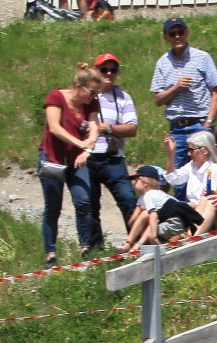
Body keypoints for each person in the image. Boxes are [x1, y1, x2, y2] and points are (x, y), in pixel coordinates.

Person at [40, 64, 103, 267]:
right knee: (53, 206)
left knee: (83, 201)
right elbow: (54, 127)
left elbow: (94, 128)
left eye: (96, 93)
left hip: (77, 159)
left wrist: (87, 149)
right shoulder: (56, 97)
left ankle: (86, 247)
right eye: (91, 92)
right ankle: (50, 253)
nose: (94, 97)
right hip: (53, 157)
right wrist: (79, 143)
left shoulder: (91, 103)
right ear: (78, 87)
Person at [151, 18, 217, 169]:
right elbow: (158, 100)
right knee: (177, 174)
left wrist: (208, 123)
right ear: (166, 37)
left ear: (187, 33)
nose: (177, 36)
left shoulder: (202, 58)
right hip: (177, 128)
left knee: (206, 171)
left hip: (200, 124)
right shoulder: (162, 63)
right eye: (172, 34)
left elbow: (216, 93)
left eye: (180, 32)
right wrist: (176, 88)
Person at [88, 53, 139, 247]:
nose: (109, 73)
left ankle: (136, 243)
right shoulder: (87, 95)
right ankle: (95, 248)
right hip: (88, 157)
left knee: (128, 198)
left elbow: (132, 128)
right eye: (104, 69)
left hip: (113, 158)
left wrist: (108, 128)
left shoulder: (123, 97)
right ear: (95, 71)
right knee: (89, 203)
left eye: (113, 70)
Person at [123, 166, 202, 249]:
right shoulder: (159, 194)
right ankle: (157, 246)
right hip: (181, 218)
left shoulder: (148, 196)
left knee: (152, 231)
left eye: (136, 181)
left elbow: (153, 216)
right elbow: (177, 204)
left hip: (174, 221)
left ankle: (159, 250)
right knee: (152, 226)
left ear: (145, 183)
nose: (133, 184)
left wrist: (153, 236)